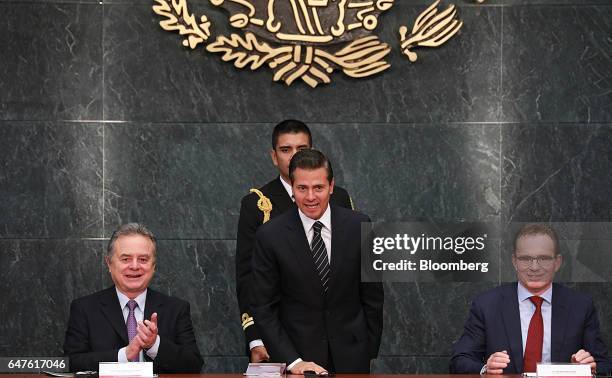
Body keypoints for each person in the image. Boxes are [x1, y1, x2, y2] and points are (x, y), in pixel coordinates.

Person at [251, 149, 383, 374]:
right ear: (292, 188)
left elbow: (373, 297)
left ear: (331, 187)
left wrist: (367, 350)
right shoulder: (270, 235)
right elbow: (264, 309)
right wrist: (293, 362)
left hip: (353, 360)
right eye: (302, 188)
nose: (310, 197)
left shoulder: (360, 226)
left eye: (318, 187)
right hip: (299, 363)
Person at [236, 119, 354, 362]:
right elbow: (248, 277)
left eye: (301, 150)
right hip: (280, 336)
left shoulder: (339, 197)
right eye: (286, 150)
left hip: (338, 340)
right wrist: (255, 336)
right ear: (273, 156)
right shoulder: (259, 203)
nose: (293, 157)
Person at [450, 223, 611, 374]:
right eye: (526, 259)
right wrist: (486, 368)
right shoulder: (487, 305)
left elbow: (603, 364)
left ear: (557, 262)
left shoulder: (581, 306)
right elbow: (459, 360)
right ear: (514, 261)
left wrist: (589, 368)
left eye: (544, 258)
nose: (534, 267)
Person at [63, 223, 203, 373]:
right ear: (109, 263)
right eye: (125, 259)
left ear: (153, 266)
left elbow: (194, 364)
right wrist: (124, 355)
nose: (135, 266)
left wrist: (154, 344)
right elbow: (71, 363)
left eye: (143, 259)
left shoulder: (176, 309)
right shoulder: (84, 308)